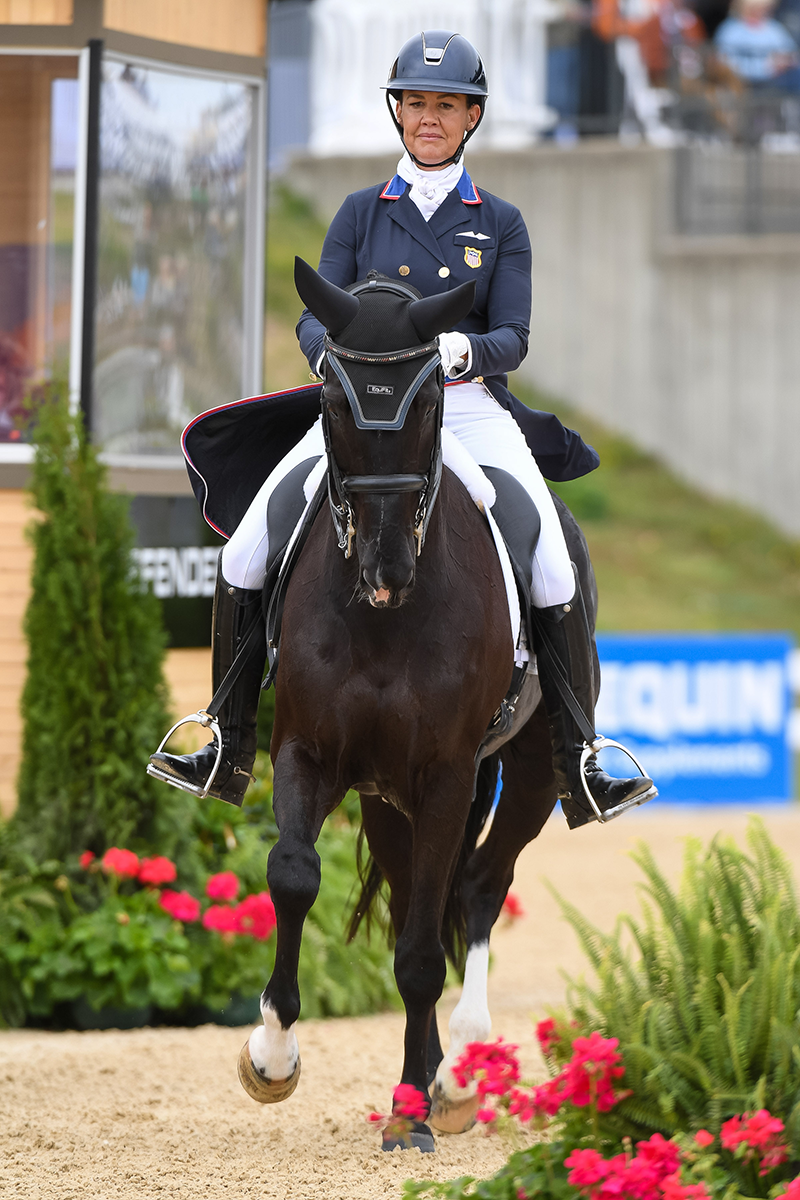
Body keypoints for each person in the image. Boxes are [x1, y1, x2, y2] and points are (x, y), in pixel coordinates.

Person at [149, 30, 656, 830]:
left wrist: (466, 349)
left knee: (554, 560)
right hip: (362, 410)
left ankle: (580, 755)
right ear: (398, 111)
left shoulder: (502, 223)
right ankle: (224, 736)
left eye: (445, 105)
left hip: (467, 406)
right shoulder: (358, 214)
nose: (428, 117)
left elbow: (515, 338)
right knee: (249, 544)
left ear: (470, 117)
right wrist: (335, 365)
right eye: (416, 103)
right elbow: (316, 325)